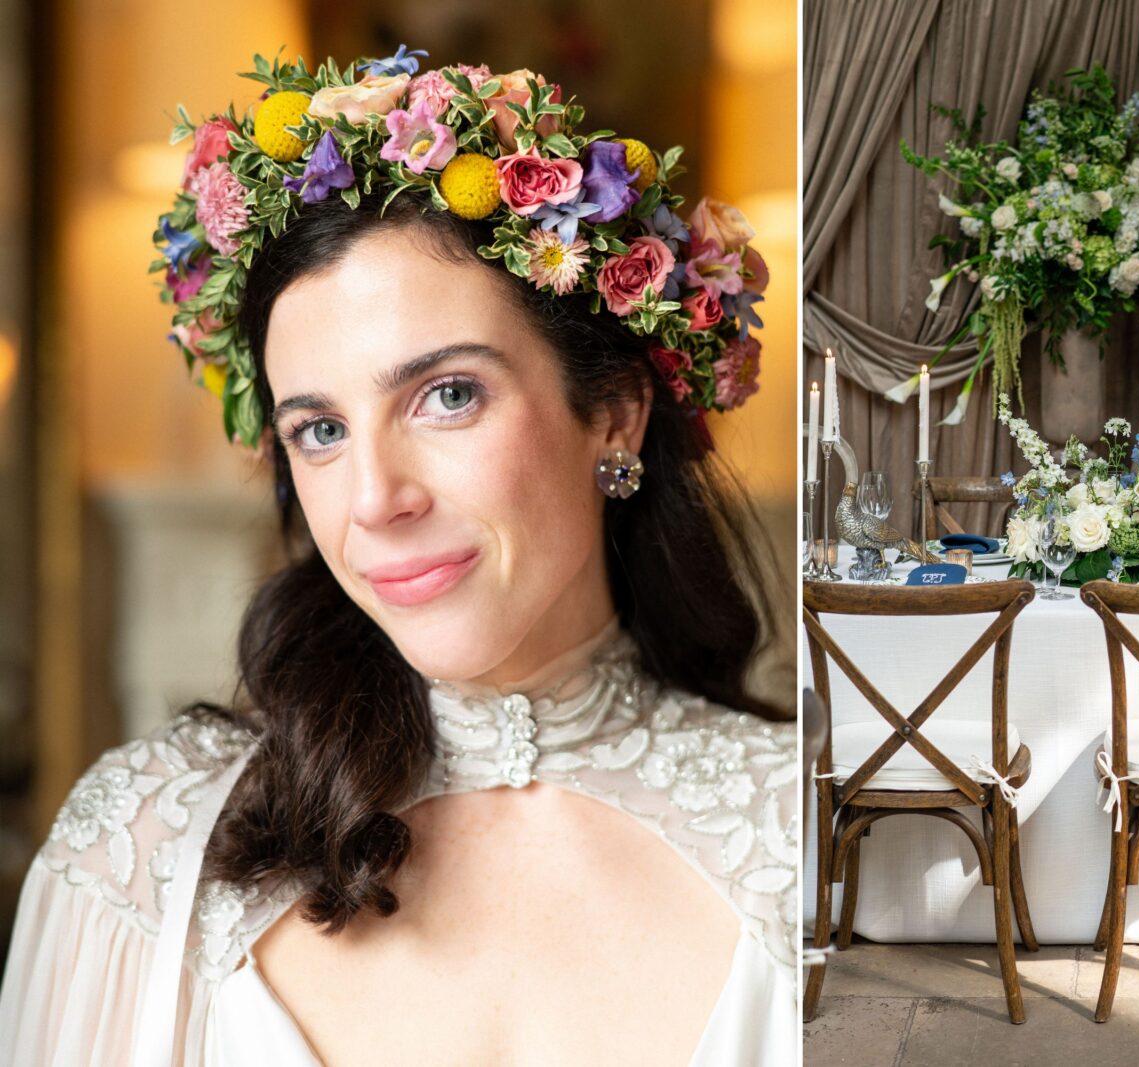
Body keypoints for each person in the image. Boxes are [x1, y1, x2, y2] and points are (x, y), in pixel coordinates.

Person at [0, 46, 795, 1065]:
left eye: (446, 394)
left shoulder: (793, 824)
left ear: (613, 415)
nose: (376, 498)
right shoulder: (143, 843)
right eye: (319, 430)